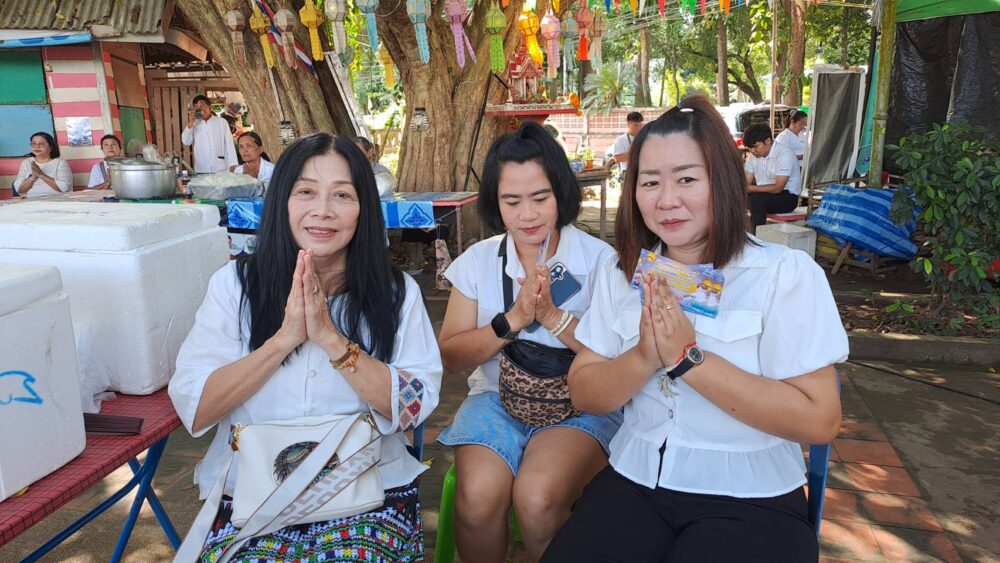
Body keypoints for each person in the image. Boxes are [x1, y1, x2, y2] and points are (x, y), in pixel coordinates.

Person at [542, 95, 846, 562]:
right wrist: (643, 356)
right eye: (650, 182)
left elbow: (819, 420)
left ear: (721, 181)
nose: (667, 200)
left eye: (686, 179)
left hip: (751, 495)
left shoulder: (783, 275)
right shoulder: (622, 275)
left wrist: (688, 359)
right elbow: (585, 392)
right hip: (636, 479)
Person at [168, 132, 442, 561]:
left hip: (369, 490)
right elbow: (197, 408)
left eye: (343, 195)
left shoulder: (395, 293)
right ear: (282, 201)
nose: (323, 210)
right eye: (306, 192)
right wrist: (284, 339)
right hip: (251, 495)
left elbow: (415, 407)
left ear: (364, 209)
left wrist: (332, 340)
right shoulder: (235, 286)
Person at [436, 121, 622, 562]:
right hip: (495, 397)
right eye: (512, 201)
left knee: (537, 498)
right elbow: (451, 357)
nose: (527, 215)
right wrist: (512, 320)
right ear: (494, 203)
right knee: (478, 496)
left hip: (580, 403)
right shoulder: (478, 260)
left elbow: (617, 362)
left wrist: (553, 318)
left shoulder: (601, 261)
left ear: (561, 194)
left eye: (541, 198)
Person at [743, 122, 802, 230]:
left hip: (787, 197)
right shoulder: (752, 157)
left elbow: (778, 188)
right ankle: (737, 232)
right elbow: (745, 182)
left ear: (768, 141)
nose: (752, 151)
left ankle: (755, 234)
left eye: (756, 147)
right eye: (750, 148)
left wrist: (751, 188)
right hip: (763, 194)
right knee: (736, 198)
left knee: (756, 200)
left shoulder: (784, 153)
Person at [181, 94, 238, 173]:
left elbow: (229, 144)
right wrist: (191, 123)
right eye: (196, 107)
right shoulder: (193, 124)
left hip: (220, 168)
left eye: (202, 106)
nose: (199, 109)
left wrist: (234, 165)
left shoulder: (221, 122)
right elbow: (186, 141)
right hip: (201, 168)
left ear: (210, 108)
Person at [12, 132, 72, 198]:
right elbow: (19, 190)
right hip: (31, 200)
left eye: (41, 144)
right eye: (33, 144)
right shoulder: (27, 162)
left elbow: (64, 188)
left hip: (57, 200)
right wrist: (33, 177)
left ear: (51, 147)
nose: (37, 146)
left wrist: (41, 175)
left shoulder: (60, 162)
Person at [612, 111, 644, 177]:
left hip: (643, 172)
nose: (638, 128)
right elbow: (617, 159)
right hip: (627, 173)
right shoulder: (620, 140)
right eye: (635, 125)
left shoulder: (645, 138)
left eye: (640, 126)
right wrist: (634, 153)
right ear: (628, 124)